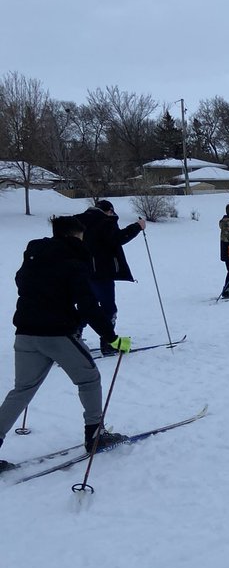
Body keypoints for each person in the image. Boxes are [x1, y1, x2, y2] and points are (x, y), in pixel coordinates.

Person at [0, 216, 132, 472]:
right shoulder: (75, 259)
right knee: (89, 378)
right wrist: (111, 337)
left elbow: (21, 283)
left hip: (25, 332)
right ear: (75, 236)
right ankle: (95, 435)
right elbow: (87, 304)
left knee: (22, 390)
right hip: (57, 335)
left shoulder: (34, 254)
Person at [77, 199, 145, 355]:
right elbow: (118, 238)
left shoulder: (78, 220)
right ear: (109, 211)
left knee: (86, 305)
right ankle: (108, 343)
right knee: (108, 308)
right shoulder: (104, 222)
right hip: (101, 272)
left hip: (81, 271)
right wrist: (137, 227)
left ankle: (74, 338)